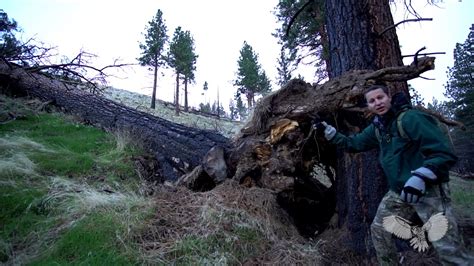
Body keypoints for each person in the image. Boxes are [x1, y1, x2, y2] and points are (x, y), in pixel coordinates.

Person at [320, 84, 473, 265]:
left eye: (380, 98)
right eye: (372, 101)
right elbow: (354, 144)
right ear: (368, 106)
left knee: (447, 246)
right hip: (399, 191)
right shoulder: (379, 127)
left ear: (389, 98)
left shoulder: (411, 118)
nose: (377, 103)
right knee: (379, 229)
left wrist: (421, 176)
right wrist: (330, 133)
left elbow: (444, 154)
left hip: (429, 192)